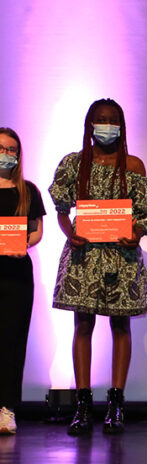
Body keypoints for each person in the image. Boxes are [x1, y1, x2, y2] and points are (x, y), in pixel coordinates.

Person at [49, 99, 147, 436]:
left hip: (121, 256)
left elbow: (144, 214)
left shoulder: (133, 165)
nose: (106, 126)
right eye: (100, 120)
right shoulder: (73, 163)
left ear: (121, 126)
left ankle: (116, 403)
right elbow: (61, 209)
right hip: (84, 254)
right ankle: (83, 404)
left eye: (112, 120)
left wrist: (136, 233)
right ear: (90, 124)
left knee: (121, 325)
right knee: (83, 325)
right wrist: (70, 234)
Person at [0, 128, 45, 435]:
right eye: (1, 148)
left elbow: (37, 230)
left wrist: (25, 242)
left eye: (12, 149)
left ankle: (7, 408)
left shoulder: (28, 190)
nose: (6, 154)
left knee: (12, 342)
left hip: (16, 275)